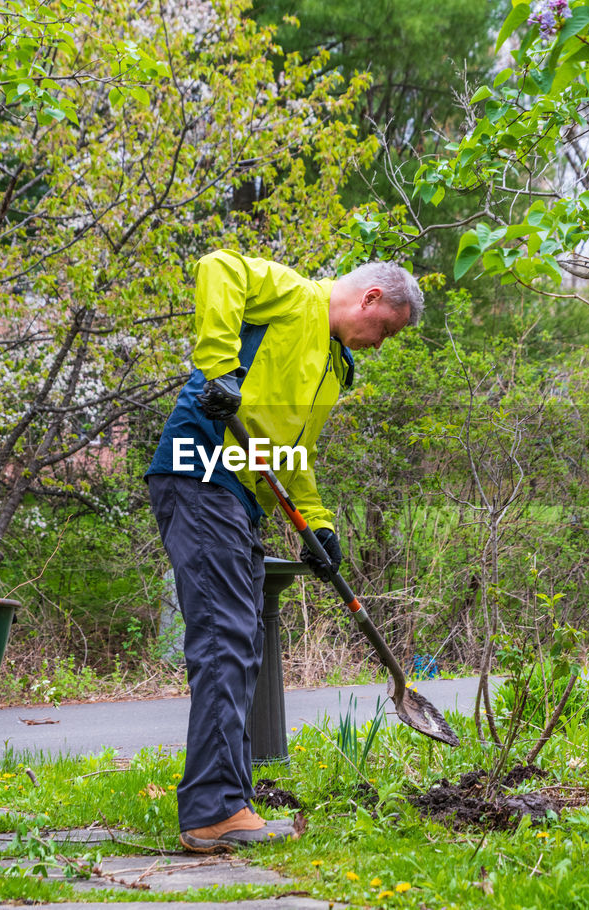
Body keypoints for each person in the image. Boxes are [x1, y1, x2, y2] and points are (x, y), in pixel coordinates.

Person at [145, 250, 423, 854]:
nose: (378, 346)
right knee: (227, 638)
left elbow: (288, 451)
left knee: (241, 643)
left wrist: (316, 524)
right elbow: (219, 265)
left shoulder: (332, 364)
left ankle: (227, 803)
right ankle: (211, 810)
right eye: (385, 332)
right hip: (201, 467)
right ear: (371, 300)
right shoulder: (292, 294)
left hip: (241, 490)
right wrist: (219, 368)